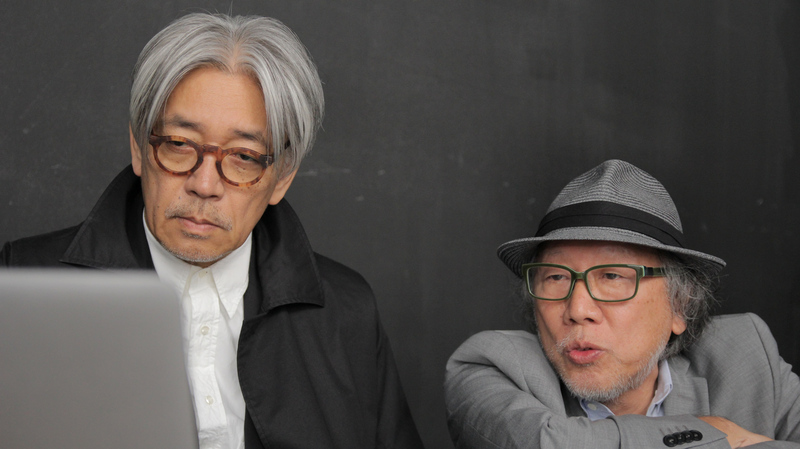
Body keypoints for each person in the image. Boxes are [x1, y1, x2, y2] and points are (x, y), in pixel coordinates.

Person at [1, 13, 423, 449]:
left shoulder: (346, 312)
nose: (204, 185)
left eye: (244, 157)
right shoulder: (22, 285)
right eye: (178, 144)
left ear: (282, 177)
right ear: (139, 147)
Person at [444, 159, 800, 448]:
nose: (578, 309)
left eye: (612, 276)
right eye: (556, 277)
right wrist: (714, 435)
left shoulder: (747, 356)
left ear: (679, 305)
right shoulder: (492, 366)